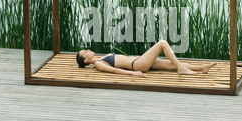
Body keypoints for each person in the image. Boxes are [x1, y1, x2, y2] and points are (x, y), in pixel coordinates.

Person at [76, 40, 216, 78]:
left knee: (170, 64)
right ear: (86, 61)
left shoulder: (101, 57)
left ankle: (201, 68)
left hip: (138, 60)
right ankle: (181, 69)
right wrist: (134, 73)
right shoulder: (99, 64)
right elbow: (114, 71)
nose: (88, 50)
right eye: (85, 52)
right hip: (137, 65)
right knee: (162, 43)